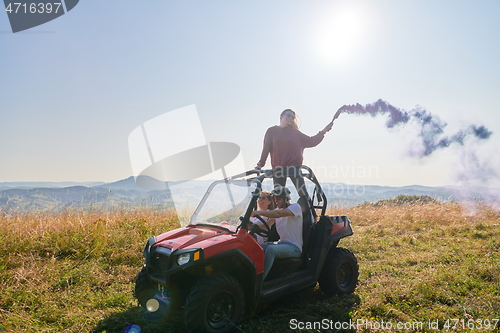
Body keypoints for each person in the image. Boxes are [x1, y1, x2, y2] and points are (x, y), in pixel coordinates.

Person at [255, 109, 333, 197]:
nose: (290, 118)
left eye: (292, 117)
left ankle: (307, 210)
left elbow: (311, 141)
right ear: (281, 115)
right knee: (278, 196)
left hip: (294, 168)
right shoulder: (272, 131)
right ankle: (281, 210)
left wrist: (324, 131)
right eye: (288, 115)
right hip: (278, 169)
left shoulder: (295, 133)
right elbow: (266, 148)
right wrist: (260, 165)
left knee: (303, 195)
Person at [250, 186, 302, 281]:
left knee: (271, 250)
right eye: (274, 199)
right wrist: (252, 227)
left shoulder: (295, 207)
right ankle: (251, 274)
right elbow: (266, 226)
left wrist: (257, 212)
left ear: (286, 199)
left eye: (278, 199)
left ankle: (259, 281)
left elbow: (278, 214)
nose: (276, 201)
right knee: (259, 247)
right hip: (281, 243)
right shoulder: (278, 211)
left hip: (294, 247)